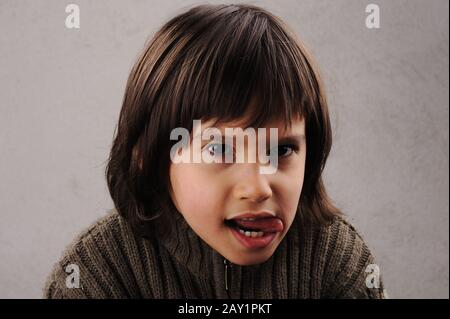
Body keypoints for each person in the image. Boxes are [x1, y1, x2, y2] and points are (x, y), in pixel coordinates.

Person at [44, 4, 387, 299]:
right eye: (221, 150)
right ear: (150, 158)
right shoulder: (96, 274)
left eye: (282, 149)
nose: (259, 187)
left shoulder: (335, 260)